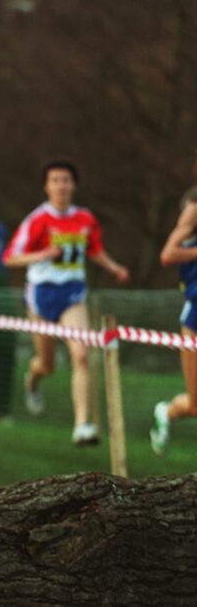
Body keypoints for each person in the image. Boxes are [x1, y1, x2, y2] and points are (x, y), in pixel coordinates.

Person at [3, 161, 129, 445]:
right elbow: (10, 257)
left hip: (72, 293)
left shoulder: (85, 219)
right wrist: (43, 254)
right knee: (47, 364)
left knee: (81, 356)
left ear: (74, 185)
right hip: (41, 294)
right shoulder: (37, 220)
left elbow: (94, 249)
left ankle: (82, 425)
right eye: (55, 180)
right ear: (46, 186)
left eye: (66, 180)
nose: (61, 185)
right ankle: (33, 380)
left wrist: (114, 268)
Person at [150, 186, 197, 454]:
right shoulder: (192, 213)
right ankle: (166, 412)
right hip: (195, 317)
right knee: (194, 405)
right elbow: (168, 255)